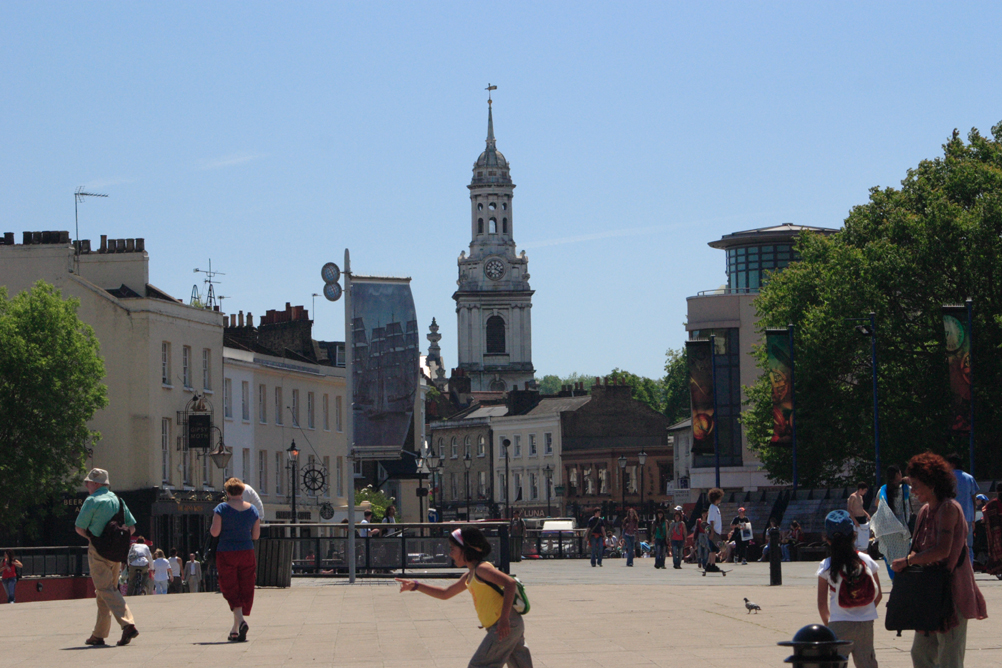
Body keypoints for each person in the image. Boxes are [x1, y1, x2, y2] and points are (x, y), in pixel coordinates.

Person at [890, 452, 987, 668]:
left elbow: (942, 550)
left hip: (952, 592)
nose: (913, 491)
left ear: (932, 484)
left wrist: (907, 562)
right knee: (921, 653)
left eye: (916, 485)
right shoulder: (925, 511)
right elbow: (917, 549)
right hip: (929, 594)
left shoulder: (949, 508)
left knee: (949, 658)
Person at [396, 527, 532, 668]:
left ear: (466, 549)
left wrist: (504, 620)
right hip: (509, 624)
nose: (450, 554)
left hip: (505, 625)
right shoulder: (470, 575)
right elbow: (445, 593)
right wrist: (416, 585)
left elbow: (509, 583)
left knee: (479, 665)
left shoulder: (482, 569)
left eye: (453, 549)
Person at [74, 468, 139, 647]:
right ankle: (99, 634)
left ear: (96, 483)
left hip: (98, 551)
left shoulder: (92, 500)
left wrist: (93, 539)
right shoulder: (118, 500)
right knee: (104, 591)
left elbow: (79, 528)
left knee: (105, 589)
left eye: (88, 482)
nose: (86, 485)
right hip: (117, 553)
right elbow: (132, 527)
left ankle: (128, 624)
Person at [817, 510, 882, 668]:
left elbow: (821, 603)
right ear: (853, 535)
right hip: (865, 624)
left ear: (828, 539)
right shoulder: (865, 560)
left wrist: (829, 625)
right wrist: (865, 610)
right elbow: (878, 594)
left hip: (838, 623)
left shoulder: (826, 565)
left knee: (836, 664)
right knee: (867, 663)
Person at [210, 477, 262, 642]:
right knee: (245, 585)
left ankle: (240, 622)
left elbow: (215, 532)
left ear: (227, 492)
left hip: (227, 552)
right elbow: (256, 535)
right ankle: (236, 628)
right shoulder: (253, 510)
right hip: (247, 551)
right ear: (242, 492)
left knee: (230, 586)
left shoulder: (221, 509)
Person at [873, 465, 911, 580]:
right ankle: (902, 582)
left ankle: (894, 581)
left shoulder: (883, 489)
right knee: (903, 558)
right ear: (898, 475)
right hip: (901, 529)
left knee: (890, 558)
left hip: (887, 530)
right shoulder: (905, 489)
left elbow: (877, 504)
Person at [945, 453, 979, 562]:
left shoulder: (946, 478)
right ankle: (969, 569)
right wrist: (973, 519)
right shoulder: (969, 478)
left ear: (952, 464)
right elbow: (973, 500)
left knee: (951, 545)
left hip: (951, 518)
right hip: (967, 518)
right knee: (968, 546)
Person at [705, 488, 725, 572]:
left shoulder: (716, 508)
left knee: (712, 549)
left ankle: (708, 565)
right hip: (713, 532)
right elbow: (711, 521)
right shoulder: (713, 507)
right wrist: (712, 532)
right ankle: (712, 565)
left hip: (716, 531)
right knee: (713, 550)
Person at [848, 482, 871, 551]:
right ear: (860, 489)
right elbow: (849, 509)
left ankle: (864, 550)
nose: (865, 492)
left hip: (862, 518)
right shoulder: (853, 496)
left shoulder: (861, 497)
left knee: (863, 536)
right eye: (865, 490)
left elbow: (860, 508)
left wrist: (867, 514)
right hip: (856, 518)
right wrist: (854, 521)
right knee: (856, 538)